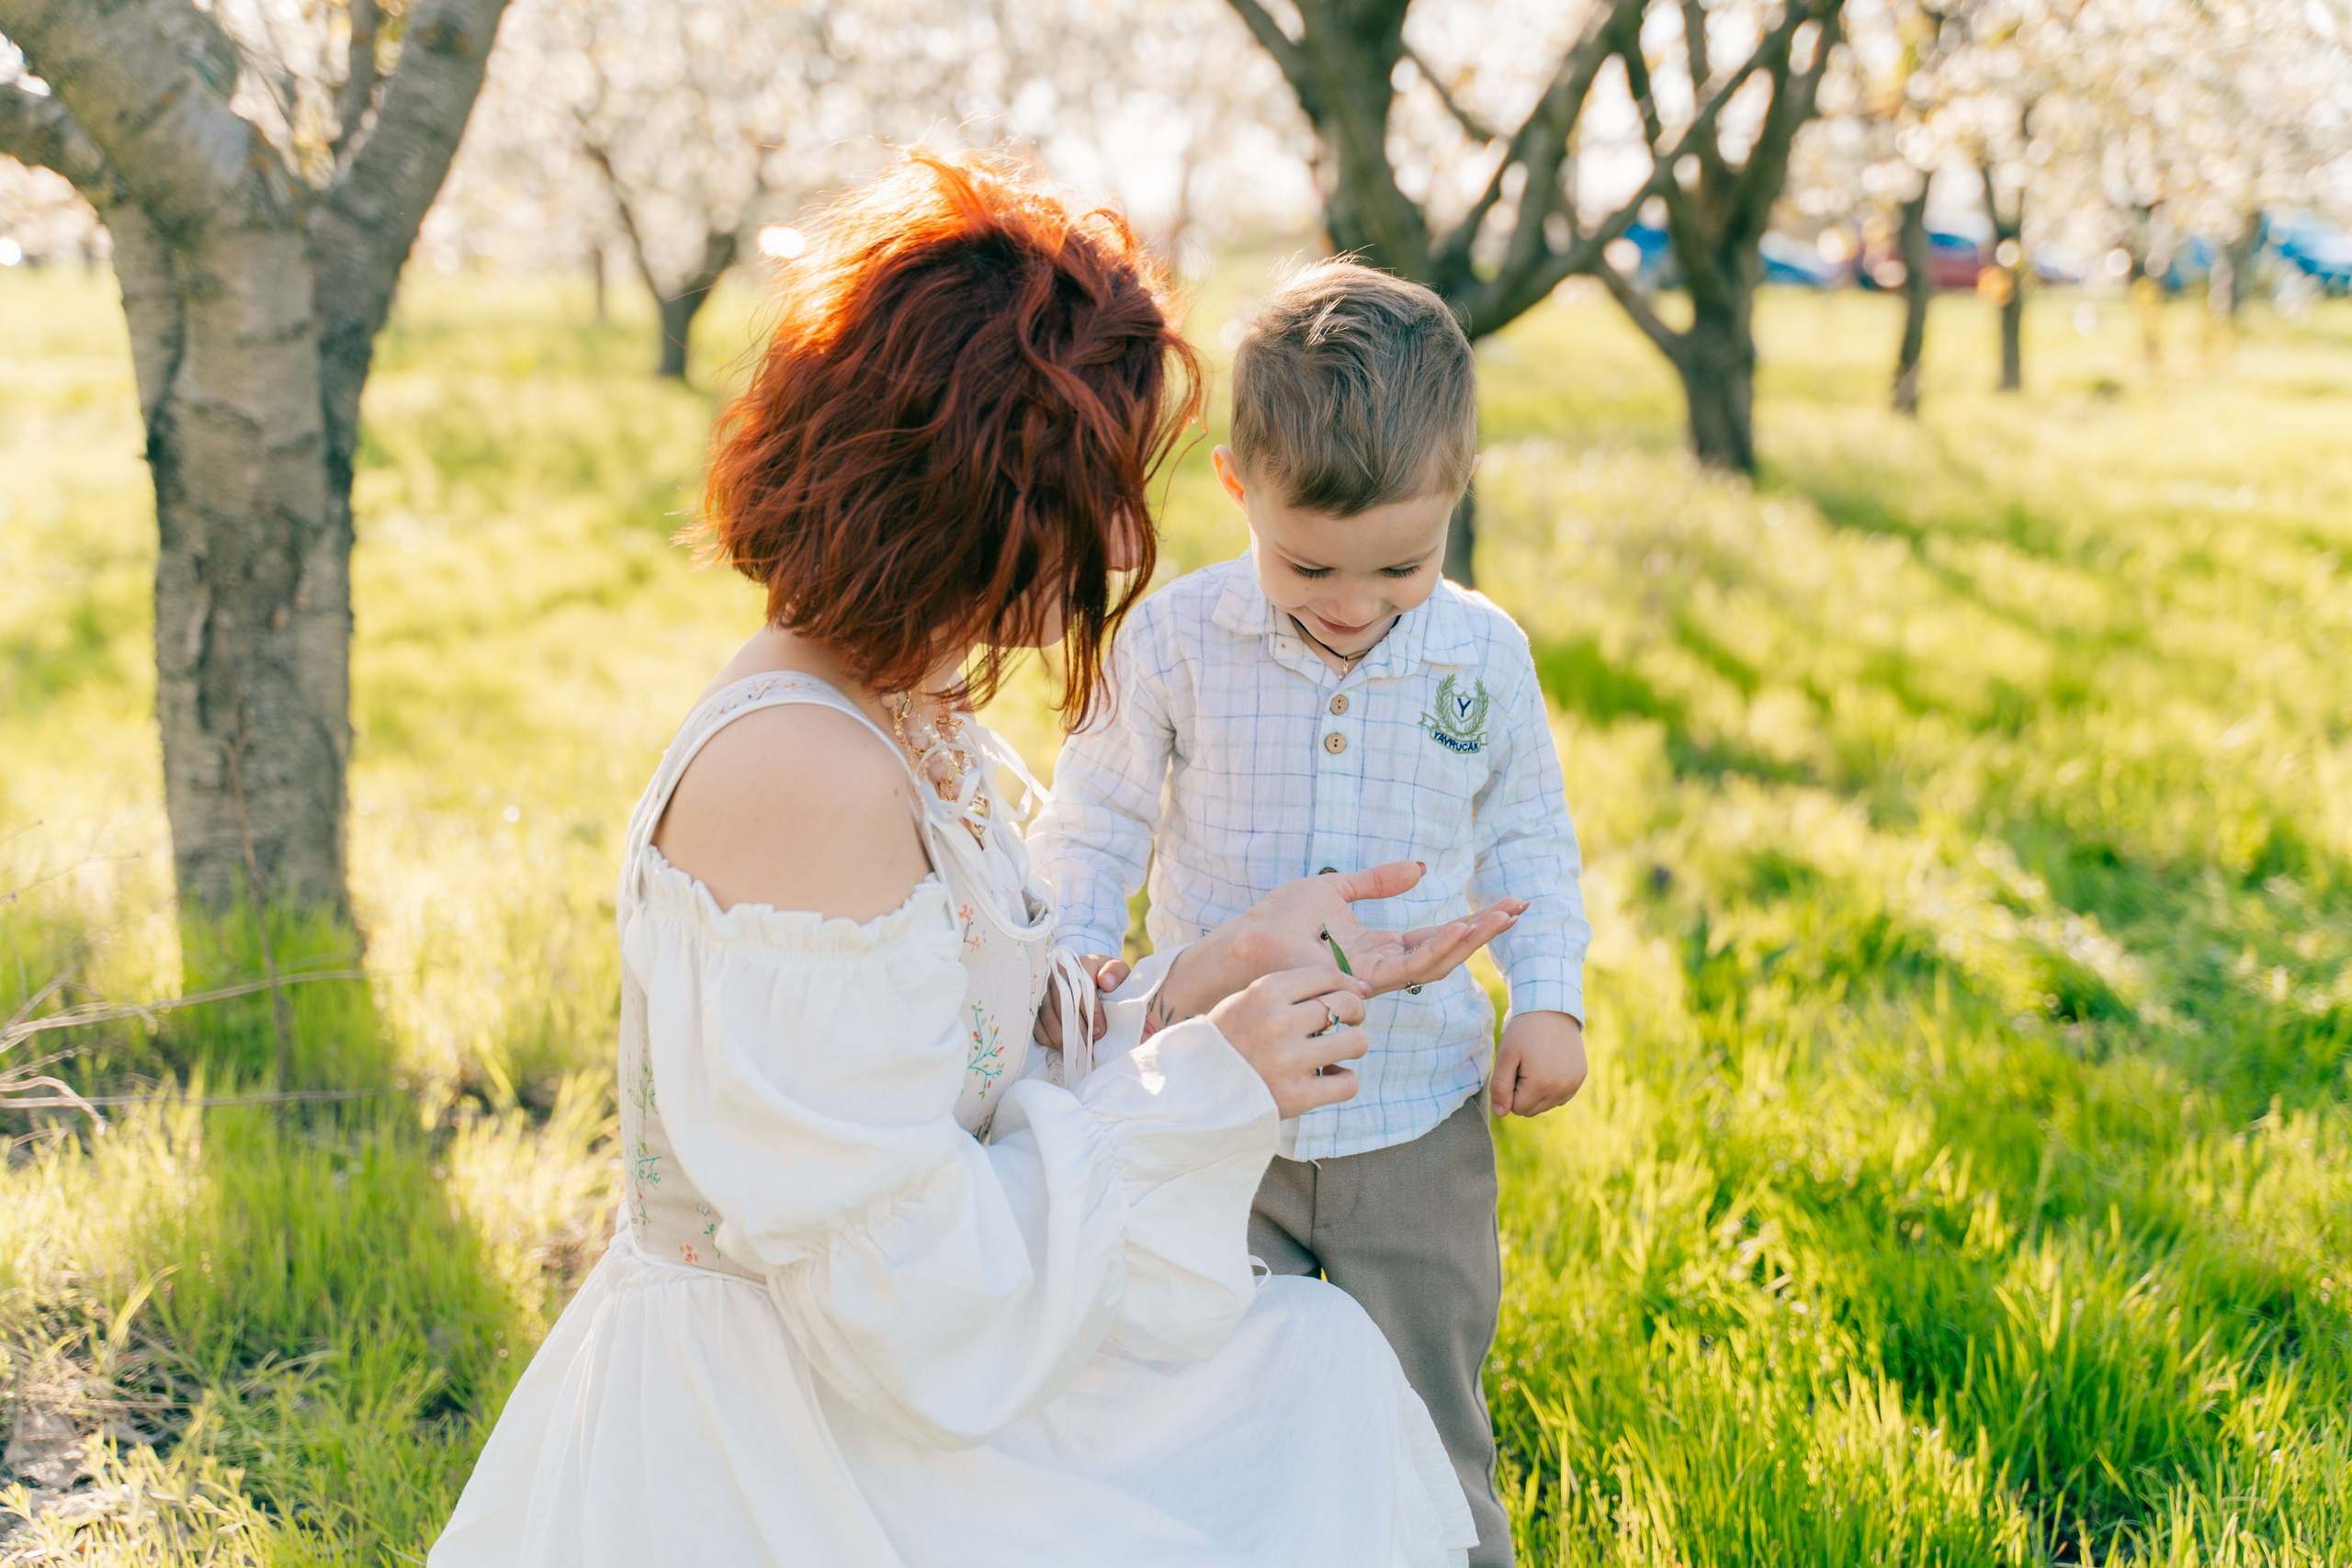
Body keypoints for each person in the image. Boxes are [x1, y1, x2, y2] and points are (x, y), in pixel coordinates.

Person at [428, 154, 1531, 1568]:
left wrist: (1207, 977)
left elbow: (966, 1064)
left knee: (1316, 1366)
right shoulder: (800, 777)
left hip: (890, 1368)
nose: (1128, 542)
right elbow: (901, 1284)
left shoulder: (889, 707)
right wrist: (1206, 1085)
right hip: (798, 1426)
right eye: (1098, 494)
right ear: (978, 503)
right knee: (1297, 1412)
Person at [1029, 259, 1594, 1568]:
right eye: (1310, 564)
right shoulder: (1174, 645)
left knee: (1426, 1395)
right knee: (1219, 1393)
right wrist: (1071, 963)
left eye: (1402, 562)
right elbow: (1097, 818)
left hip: (1417, 1114)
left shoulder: (1481, 657)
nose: (1352, 603)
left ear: (1458, 496)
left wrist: (1549, 997)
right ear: (1239, 488)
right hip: (1226, 1104)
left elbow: (1529, 840)